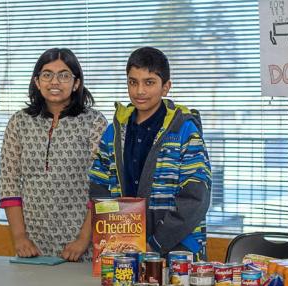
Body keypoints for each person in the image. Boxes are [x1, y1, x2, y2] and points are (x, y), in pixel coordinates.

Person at [88, 46, 211, 260]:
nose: (140, 91)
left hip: (178, 249)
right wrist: (117, 235)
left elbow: (195, 197)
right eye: (133, 82)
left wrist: (155, 244)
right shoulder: (114, 131)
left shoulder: (184, 130)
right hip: (124, 248)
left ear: (166, 87)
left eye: (149, 82)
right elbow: (98, 185)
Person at [0, 48, 107, 264]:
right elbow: (9, 183)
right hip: (32, 245)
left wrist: (82, 240)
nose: (54, 82)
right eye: (47, 75)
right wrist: (20, 237)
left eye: (64, 75)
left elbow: (102, 187)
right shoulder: (19, 122)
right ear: (37, 82)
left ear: (76, 83)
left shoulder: (94, 122)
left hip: (79, 246)